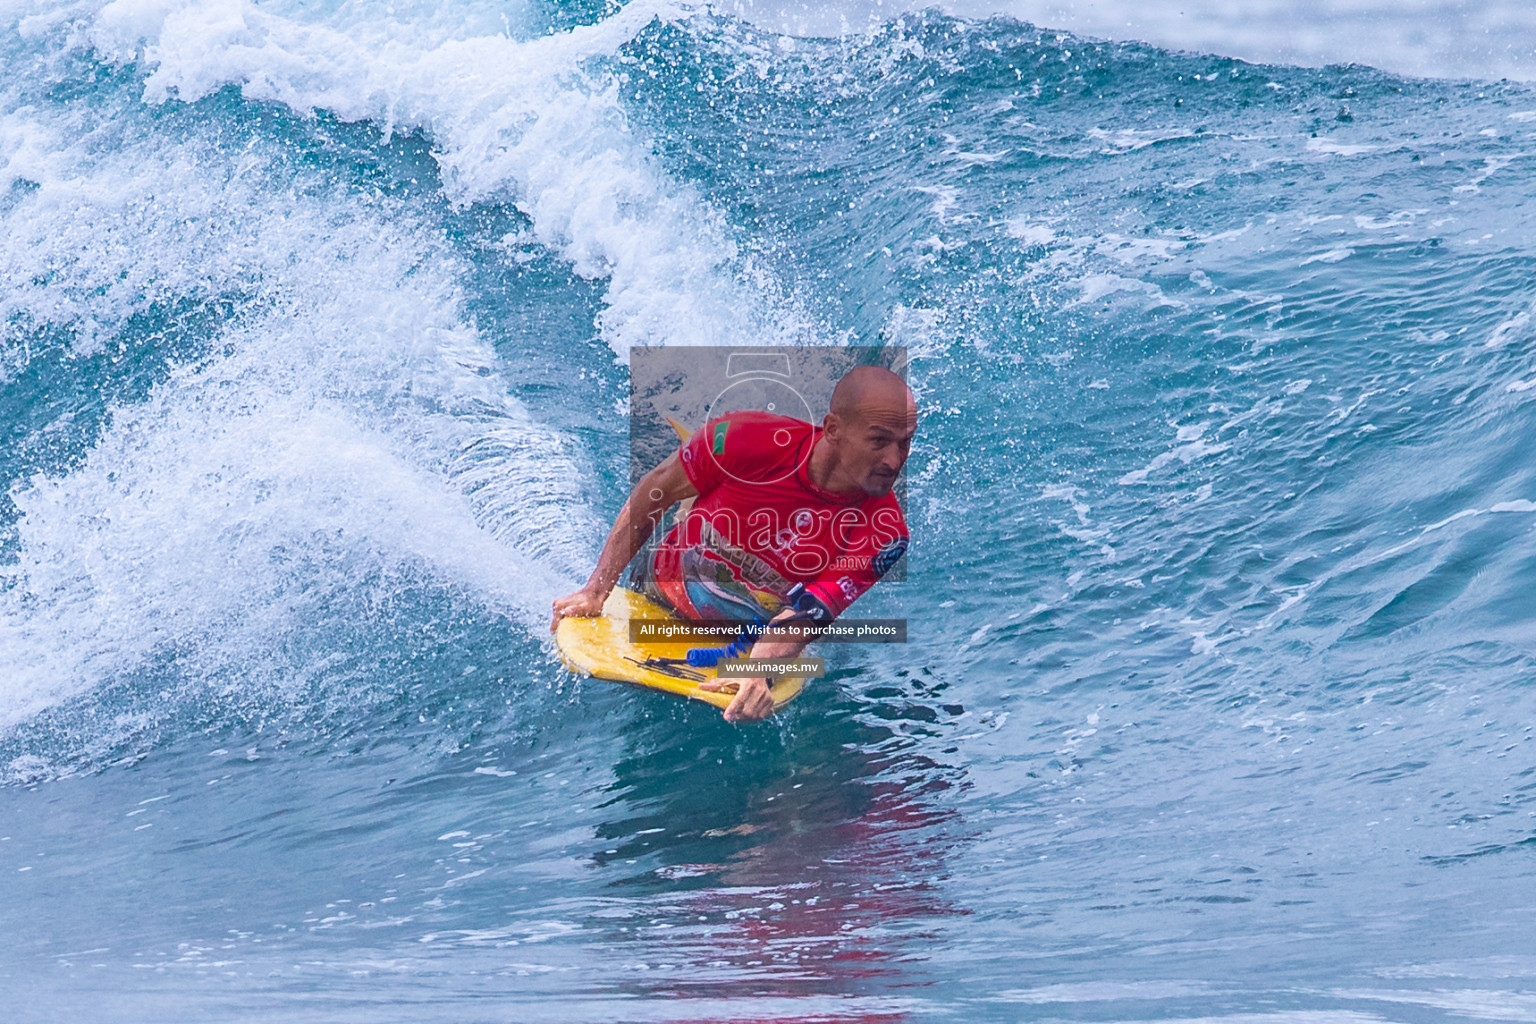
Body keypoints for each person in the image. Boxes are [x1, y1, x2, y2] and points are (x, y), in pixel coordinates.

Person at [551, 364, 916, 722]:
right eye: (879, 441)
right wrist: (596, 589)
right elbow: (652, 491)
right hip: (661, 586)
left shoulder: (886, 534)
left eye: (906, 442)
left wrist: (758, 669)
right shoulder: (745, 438)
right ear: (833, 429)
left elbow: (811, 614)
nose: (895, 460)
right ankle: (694, 480)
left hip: (751, 632)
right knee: (682, 497)